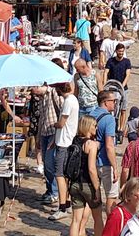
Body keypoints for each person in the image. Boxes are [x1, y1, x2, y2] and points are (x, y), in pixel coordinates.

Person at [68, 115, 103, 236]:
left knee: (76, 220)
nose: (96, 128)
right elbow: (92, 169)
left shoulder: (75, 141)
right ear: (88, 127)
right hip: (87, 184)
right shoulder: (91, 145)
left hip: (74, 183)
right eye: (94, 125)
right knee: (98, 218)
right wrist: (97, 188)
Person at [52, 82, 80, 220]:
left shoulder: (68, 101)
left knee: (59, 175)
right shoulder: (73, 99)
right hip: (65, 141)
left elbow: (61, 123)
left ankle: (62, 206)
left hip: (65, 142)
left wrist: (54, 124)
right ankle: (67, 204)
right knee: (65, 175)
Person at [91, 90, 121, 215]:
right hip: (105, 162)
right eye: (113, 101)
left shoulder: (91, 113)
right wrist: (115, 167)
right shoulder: (109, 119)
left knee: (94, 196)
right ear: (105, 102)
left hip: (91, 162)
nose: (115, 103)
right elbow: (109, 146)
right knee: (111, 196)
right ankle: (110, 227)